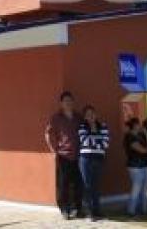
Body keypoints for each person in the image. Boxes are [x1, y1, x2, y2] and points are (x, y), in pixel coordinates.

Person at [45, 90, 83, 219]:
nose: (68, 103)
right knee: (63, 184)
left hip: (79, 156)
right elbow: (47, 134)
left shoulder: (79, 117)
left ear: (73, 102)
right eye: (65, 101)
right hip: (63, 155)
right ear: (61, 103)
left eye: (70, 101)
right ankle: (64, 209)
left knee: (78, 183)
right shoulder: (56, 118)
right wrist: (53, 150)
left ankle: (77, 208)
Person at [78, 105, 110, 221]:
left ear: (96, 114)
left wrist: (93, 139)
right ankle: (89, 212)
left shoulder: (103, 126)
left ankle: (97, 210)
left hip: (98, 159)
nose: (90, 116)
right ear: (85, 117)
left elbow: (106, 144)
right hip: (85, 159)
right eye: (88, 114)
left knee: (96, 185)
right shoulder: (82, 127)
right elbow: (84, 141)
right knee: (87, 185)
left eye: (92, 113)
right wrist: (98, 139)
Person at [123, 117, 147, 216]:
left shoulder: (141, 135)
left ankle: (144, 210)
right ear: (135, 125)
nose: (141, 126)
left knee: (145, 189)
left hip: (145, 165)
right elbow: (142, 150)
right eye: (139, 124)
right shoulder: (129, 137)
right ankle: (131, 211)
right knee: (136, 188)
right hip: (135, 166)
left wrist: (146, 133)